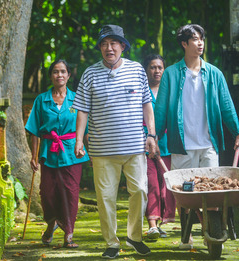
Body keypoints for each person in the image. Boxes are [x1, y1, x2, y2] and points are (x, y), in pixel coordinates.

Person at [154, 24, 239, 249]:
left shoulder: (214, 74)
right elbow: (162, 109)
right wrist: (153, 137)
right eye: (195, 39)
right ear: (184, 44)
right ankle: (187, 237)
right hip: (182, 146)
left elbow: (226, 106)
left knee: (213, 193)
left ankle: (212, 233)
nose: (200, 43)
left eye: (202, 38)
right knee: (185, 196)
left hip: (208, 145)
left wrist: (238, 133)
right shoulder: (171, 74)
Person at [72, 24, 158, 259]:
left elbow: (146, 105)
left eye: (113, 43)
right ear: (100, 48)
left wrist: (151, 135)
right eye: (104, 44)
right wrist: (79, 140)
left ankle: (134, 237)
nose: (108, 48)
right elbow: (82, 110)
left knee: (140, 191)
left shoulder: (137, 70)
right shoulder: (90, 73)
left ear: (122, 46)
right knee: (106, 197)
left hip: (134, 147)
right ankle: (111, 242)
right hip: (102, 150)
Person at [25, 59, 90, 249]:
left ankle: (69, 233)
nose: (59, 75)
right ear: (51, 76)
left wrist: (91, 152)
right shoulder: (41, 100)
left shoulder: (77, 99)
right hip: (49, 152)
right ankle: (51, 223)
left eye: (63, 71)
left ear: (69, 75)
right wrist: (34, 156)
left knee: (71, 192)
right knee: (47, 193)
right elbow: (35, 131)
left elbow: (85, 129)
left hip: (73, 152)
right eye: (55, 71)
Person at [142, 54, 176, 240]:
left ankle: (162, 221)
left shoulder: (170, 92)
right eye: (152, 67)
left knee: (166, 185)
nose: (156, 71)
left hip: (167, 144)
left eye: (160, 67)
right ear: (146, 70)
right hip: (145, 145)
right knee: (151, 183)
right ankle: (152, 224)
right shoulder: (141, 91)